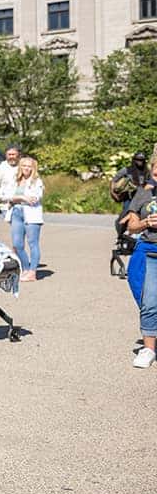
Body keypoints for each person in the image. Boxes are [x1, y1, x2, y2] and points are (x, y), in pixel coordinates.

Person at [122, 157, 157, 368]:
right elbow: (131, 227)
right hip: (148, 250)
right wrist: (145, 222)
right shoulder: (144, 193)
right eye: (156, 169)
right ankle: (149, 349)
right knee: (148, 300)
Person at [9, 156, 44, 281]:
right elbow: (8, 196)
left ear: (33, 168)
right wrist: (23, 198)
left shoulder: (37, 181)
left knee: (32, 243)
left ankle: (32, 271)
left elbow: (35, 198)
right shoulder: (15, 180)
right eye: (24, 165)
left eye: (29, 166)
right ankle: (25, 268)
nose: (26, 168)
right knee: (17, 244)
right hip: (16, 212)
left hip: (31, 214)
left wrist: (18, 197)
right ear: (20, 167)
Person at [112, 152, 150, 233]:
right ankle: (121, 234)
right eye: (137, 160)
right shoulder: (126, 170)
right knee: (124, 217)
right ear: (134, 160)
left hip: (143, 198)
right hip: (129, 198)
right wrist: (114, 194)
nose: (139, 162)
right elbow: (114, 180)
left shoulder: (147, 171)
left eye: (141, 160)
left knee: (143, 216)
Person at [0, 145, 20, 217]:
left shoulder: (23, 166)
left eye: (13, 154)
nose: (11, 157)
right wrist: (8, 198)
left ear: (18, 155)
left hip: (23, 205)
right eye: (9, 155)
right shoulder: (0, 169)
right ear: (6, 155)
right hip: (6, 206)